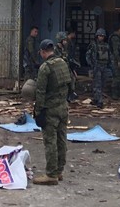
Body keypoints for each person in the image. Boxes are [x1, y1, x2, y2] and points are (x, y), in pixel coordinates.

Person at [32, 39, 71, 186]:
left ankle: (51, 174)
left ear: (42, 52)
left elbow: (40, 92)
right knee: (62, 139)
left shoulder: (45, 68)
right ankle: (59, 170)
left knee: (50, 141)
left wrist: (38, 111)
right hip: (63, 107)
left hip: (50, 110)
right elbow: (71, 84)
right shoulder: (63, 63)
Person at [86, 28, 111, 108]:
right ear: (97, 36)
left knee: (102, 83)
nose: (101, 37)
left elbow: (110, 56)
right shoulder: (93, 45)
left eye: (103, 36)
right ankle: (99, 101)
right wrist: (91, 65)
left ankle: (96, 99)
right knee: (98, 84)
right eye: (100, 36)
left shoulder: (106, 45)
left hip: (104, 66)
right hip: (97, 67)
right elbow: (88, 56)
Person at [109, 23, 120, 99]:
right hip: (115, 59)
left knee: (119, 76)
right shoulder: (115, 38)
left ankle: (117, 93)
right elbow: (115, 51)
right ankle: (114, 94)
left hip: (117, 58)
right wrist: (119, 60)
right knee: (117, 76)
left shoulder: (116, 37)